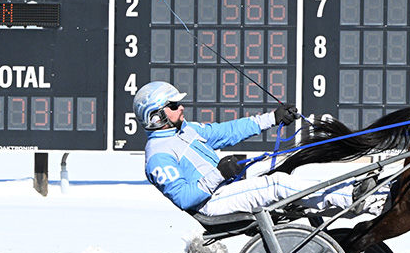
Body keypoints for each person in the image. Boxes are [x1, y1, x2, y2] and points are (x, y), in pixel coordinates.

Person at [133, 81, 384, 217]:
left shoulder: (187, 129)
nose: (181, 108)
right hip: (212, 203)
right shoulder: (157, 156)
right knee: (276, 184)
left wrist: (273, 118)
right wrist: (218, 174)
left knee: (292, 164)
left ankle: (349, 200)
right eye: (174, 105)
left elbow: (228, 131)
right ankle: (357, 198)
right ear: (155, 115)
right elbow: (184, 198)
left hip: (227, 186)